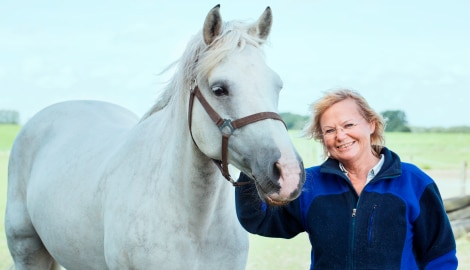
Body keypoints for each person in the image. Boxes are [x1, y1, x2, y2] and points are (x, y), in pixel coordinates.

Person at [235, 89, 458, 269]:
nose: (340, 136)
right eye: (329, 130)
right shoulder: (309, 184)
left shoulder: (415, 183)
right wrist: (250, 159)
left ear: (371, 125)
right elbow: (261, 220)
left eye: (349, 125)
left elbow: (440, 256)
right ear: (322, 138)